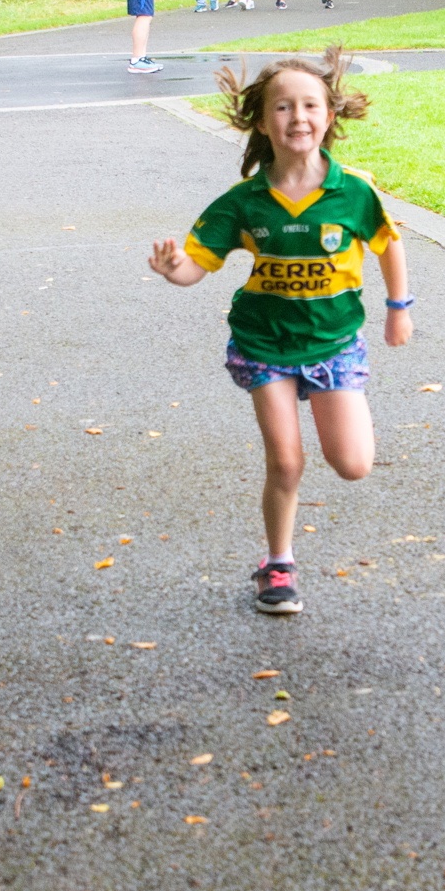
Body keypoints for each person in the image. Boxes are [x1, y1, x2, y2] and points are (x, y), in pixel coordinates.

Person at [148, 48, 414, 614]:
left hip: (334, 343)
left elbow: (389, 246)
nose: (298, 116)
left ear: (329, 115)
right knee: (287, 462)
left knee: (354, 465)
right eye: (283, 106)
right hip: (264, 343)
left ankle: (334, 402)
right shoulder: (244, 202)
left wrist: (399, 307)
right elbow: (197, 265)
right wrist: (175, 269)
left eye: (310, 105)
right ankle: (278, 564)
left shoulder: (354, 192)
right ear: (262, 121)